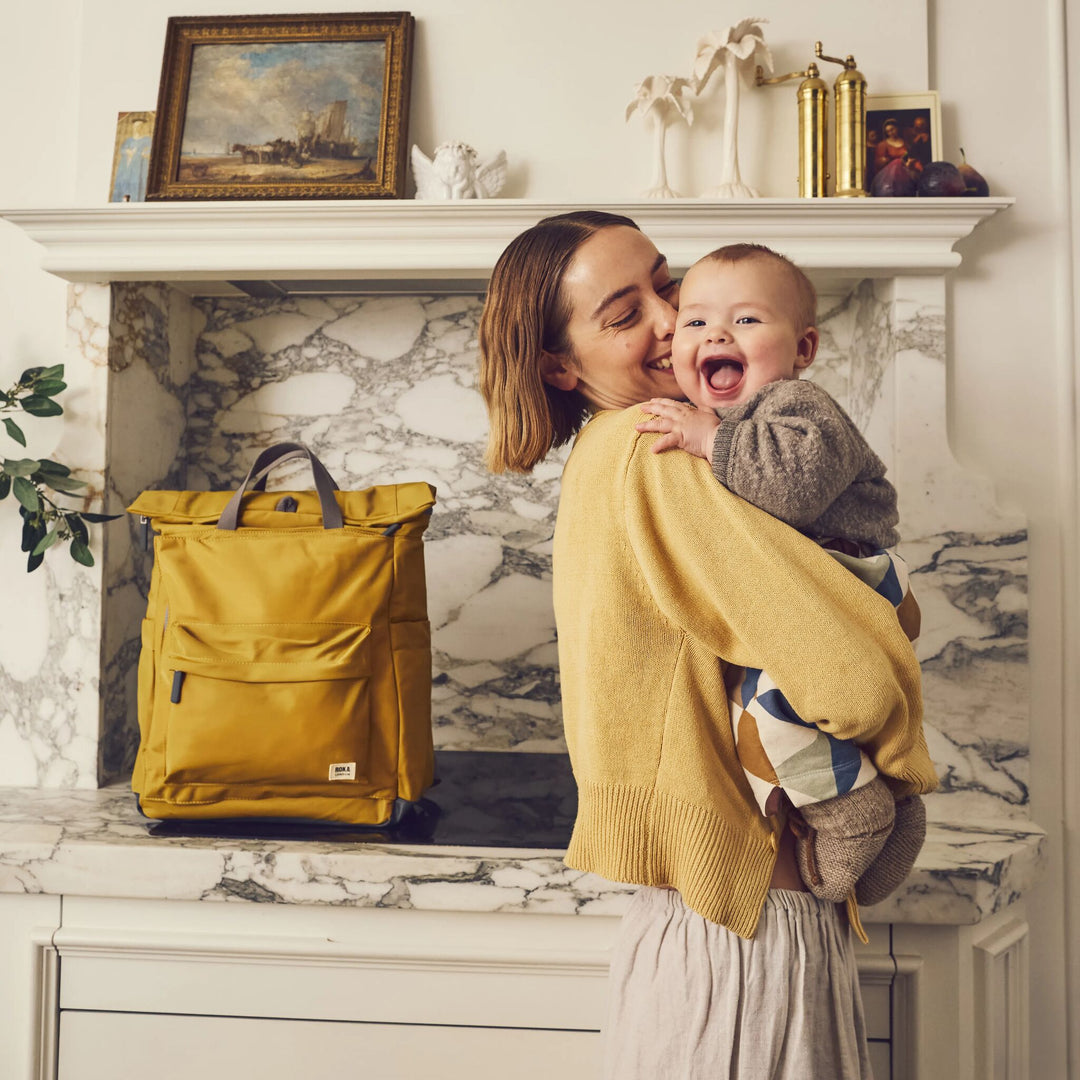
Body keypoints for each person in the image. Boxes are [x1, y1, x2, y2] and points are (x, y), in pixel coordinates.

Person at [478, 210, 938, 1078]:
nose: (672, 320)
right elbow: (846, 675)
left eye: (668, 284)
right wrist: (896, 746)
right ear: (559, 366)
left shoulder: (616, 452)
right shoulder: (656, 453)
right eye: (626, 314)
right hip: (748, 928)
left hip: (700, 920)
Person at [634, 244, 928, 908]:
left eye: (745, 321)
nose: (716, 335)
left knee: (767, 712)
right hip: (813, 582)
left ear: (804, 348)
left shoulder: (800, 403)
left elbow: (794, 489)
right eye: (695, 321)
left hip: (850, 574)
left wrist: (710, 440)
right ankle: (893, 800)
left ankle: (850, 811)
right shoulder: (726, 417)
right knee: (792, 713)